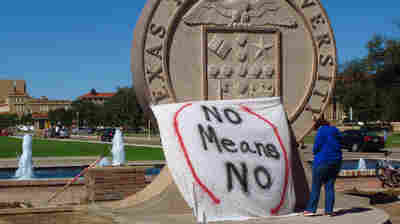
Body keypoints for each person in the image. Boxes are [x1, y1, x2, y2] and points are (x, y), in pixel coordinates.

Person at [303, 118, 342, 217]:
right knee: (329, 186)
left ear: (318, 125)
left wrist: (315, 152)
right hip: (336, 162)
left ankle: (311, 210)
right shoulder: (335, 131)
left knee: (316, 186)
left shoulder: (321, 131)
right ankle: (329, 211)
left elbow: (316, 147)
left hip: (322, 161)